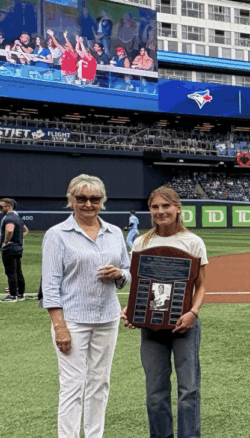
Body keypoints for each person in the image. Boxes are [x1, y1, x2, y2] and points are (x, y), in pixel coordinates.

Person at [42, 174, 131, 438]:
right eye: (81, 198)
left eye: (94, 199)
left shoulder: (114, 232)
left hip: (107, 317)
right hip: (73, 319)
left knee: (99, 383)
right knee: (72, 384)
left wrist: (120, 274)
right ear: (71, 200)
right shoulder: (57, 234)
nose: (88, 204)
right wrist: (59, 327)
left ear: (103, 201)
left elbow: (127, 271)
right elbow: (50, 285)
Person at [119, 187, 207, 438]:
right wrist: (131, 310)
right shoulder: (141, 242)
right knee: (155, 392)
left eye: (166, 206)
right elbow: (139, 285)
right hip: (152, 326)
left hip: (184, 325)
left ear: (178, 208)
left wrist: (193, 312)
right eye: (155, 207)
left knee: (188, 390)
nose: (160, 212)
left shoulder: (193, 242)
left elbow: (201, 285)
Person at [2, 198, 28, 302]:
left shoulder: (9, 217)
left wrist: (6, 241)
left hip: (10, 249)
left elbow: (9, 230)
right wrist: (18, 239)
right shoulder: (17, 217)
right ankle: (20, 294)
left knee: (11, 272)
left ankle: (12, 295)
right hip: (18, 248)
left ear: (8, 206)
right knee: (18, 271)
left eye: (2, 206)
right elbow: (25, 229)